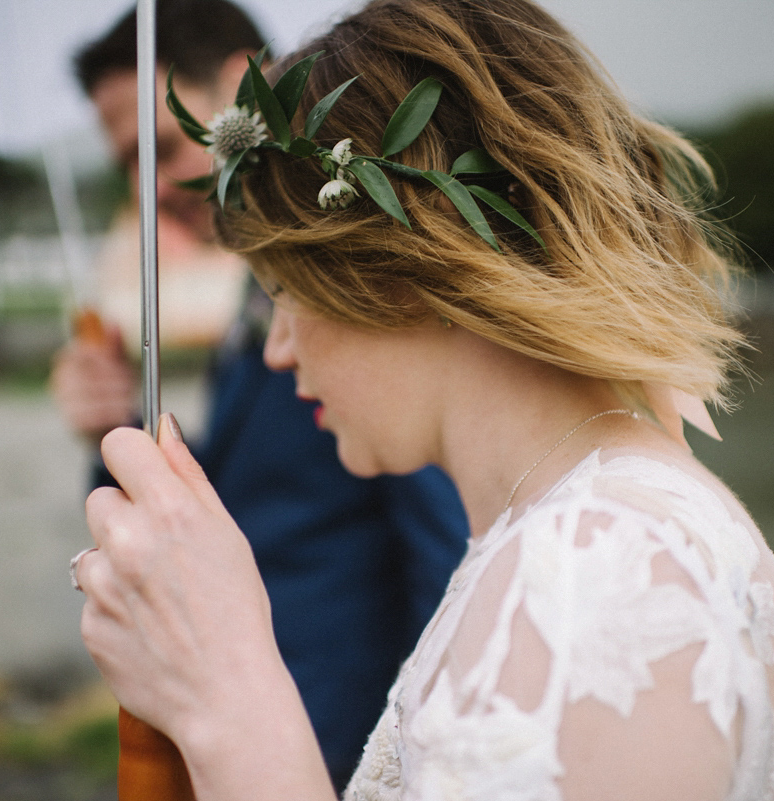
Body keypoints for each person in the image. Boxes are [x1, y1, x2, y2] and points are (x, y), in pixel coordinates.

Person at [72, 0, 774, 798]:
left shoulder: (595, 575)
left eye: (287, 285)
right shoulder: (564, 537)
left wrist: (228, 696)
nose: (277, 345)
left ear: (400, 264)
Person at [49, 0, 469, 790]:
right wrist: (115, 432)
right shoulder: (262, 284)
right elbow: (241, 507)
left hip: (347, 755)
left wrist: (422, 770)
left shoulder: (355, 278)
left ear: (244, 86)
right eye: (126, 167)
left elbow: (449, 559)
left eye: (161, 146)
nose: (147, 191)